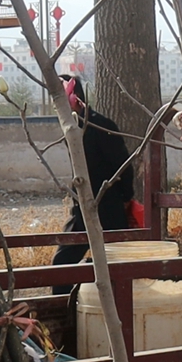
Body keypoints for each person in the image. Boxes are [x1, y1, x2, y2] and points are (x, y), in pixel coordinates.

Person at [52, 75, 135, 295]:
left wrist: (126, 197)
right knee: (61, 265)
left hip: (109, 208)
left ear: (75, 97)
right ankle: (62, 310)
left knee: (118, 267)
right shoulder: (71, 127)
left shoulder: (101, 125)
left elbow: (123, 166)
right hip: (82, 208)